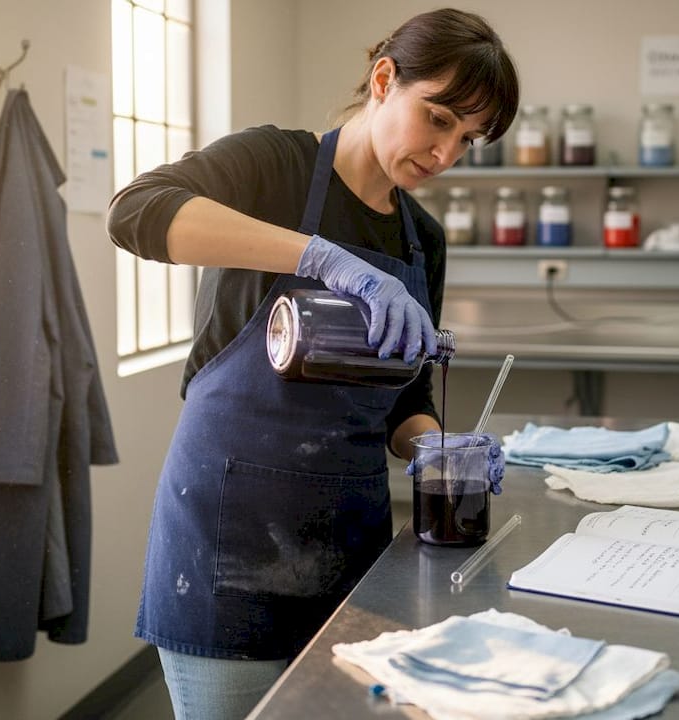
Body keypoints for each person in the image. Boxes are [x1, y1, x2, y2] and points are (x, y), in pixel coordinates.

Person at [106, 7, 519, 719]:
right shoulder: (276, 166)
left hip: (351, 555)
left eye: (467, 138)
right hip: (227, 546)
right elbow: (134, 212)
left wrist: (435, 446)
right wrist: (321, 257)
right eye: (440, 118)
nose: (447, 153)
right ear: (384, 79)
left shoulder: (423, 238)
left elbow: (404, 396)